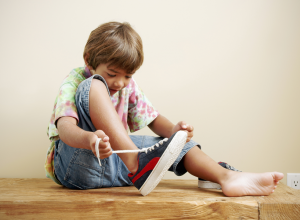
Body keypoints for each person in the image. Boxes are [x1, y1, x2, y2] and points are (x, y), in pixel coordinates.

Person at [45, 21, 284, 197]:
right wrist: (89, 139)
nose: (120, 83)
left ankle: (228, 178)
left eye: (128, 76)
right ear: (89, 59)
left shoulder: (128, 86)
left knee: (176, 143)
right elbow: (65, 128)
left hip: (119, 166)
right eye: (112, 74)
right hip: (78, 165)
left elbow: (153, 118)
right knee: (93, 85)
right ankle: (137, 164)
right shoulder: (78, 81)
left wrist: (175, 131)